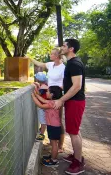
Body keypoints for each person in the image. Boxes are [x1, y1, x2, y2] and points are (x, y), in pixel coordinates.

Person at [53, 39, 86, 174]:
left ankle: (78, 163)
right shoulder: (72, 63)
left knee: (73, 133)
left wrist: (61, 100)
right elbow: (72, 84)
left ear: (71, 49)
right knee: (75, 130)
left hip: (75, 102)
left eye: (64, 45)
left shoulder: (74, 64)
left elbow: (77, 86)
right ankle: (77, 156)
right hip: (73, 101)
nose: (62, 47)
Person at [30, 48, 65, 152]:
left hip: (57, 96)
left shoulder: (63, 68)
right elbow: (40, 64)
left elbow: (65, 84)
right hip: (49, 94)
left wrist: (57, 94)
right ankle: (53, 141)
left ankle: (60, 146)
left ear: (57, 56)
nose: (50, 55)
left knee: (58, 119)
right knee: (50, 118)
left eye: (52, 54)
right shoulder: (50, 64)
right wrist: (30, 59)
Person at [31, 86, 63, 167]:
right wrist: (36, 95)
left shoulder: (52, 103)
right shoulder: (53, 101)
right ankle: (53, 156)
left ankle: (54, 161)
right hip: (52, 125)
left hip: (54, 126)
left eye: (47, 92)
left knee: (54, 143)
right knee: (53, 142)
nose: (46, 93)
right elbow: (44, 100)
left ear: (52, 94)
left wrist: (33, 97)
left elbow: (41, 105)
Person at [34, 72, 49, 141]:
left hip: (42, 106)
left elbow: (39, 93)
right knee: (43, 120)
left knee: (43, 121)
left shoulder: (43, 87)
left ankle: (42, 135)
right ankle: (42, 131)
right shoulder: (45, 85)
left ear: (38, 80)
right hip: (44, 105)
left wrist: (36, 88)